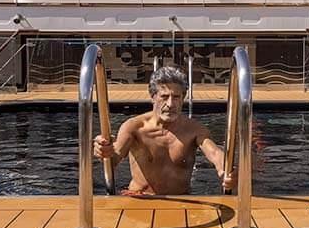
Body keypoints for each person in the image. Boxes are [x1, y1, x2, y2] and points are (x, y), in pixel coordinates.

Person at [93, 65, 235, 195]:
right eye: (164, 97)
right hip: (139, 198)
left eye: (176, 97)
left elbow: (214, 153)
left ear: (183, 98)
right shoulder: (135, 127)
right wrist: (104, 150)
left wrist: (227, 170)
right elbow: (115, 157)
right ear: (153, 97)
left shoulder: (194, 130)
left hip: (182, 201)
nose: (170, 104)